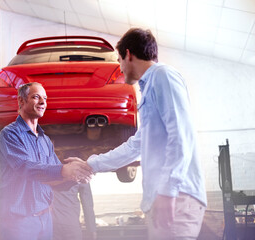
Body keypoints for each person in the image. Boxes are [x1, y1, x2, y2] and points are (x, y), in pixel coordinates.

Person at [66, 28, 207, 240]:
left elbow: (181, 135)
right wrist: (90, 164)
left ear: (129, 54)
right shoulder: (150, 87)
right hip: (165, 199)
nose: (120, 67)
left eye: (119, 60)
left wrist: (169, 191)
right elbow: (135, 146)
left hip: (177, 197)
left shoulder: (163, 76)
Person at [0, 82, 92, 240]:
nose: (43, 102)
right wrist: (63, 170)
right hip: (18, 222)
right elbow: (25, 168)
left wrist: (76, 174)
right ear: (21, 101)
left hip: (45, 219)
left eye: (45, 99)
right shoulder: (10, 135)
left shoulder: (45, 140)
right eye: (36, 97)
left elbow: (53, 177)